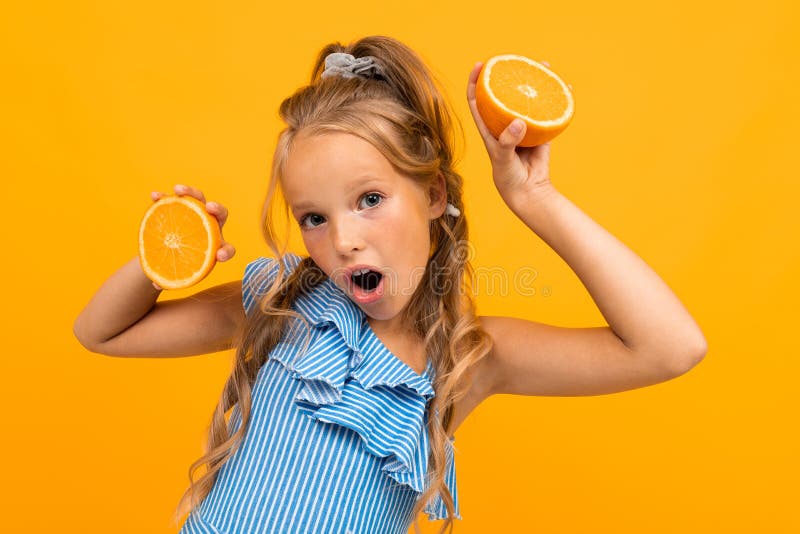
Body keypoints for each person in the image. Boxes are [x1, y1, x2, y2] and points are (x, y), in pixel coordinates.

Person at [73, 35, 708, 534]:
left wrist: (532, 195)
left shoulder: (466, 360)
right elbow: (102, 332)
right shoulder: (283, 305)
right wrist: (160, 259)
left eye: (369, 199)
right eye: (313, 218)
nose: (342, 239)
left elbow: (670, 347)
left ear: (434, 195)